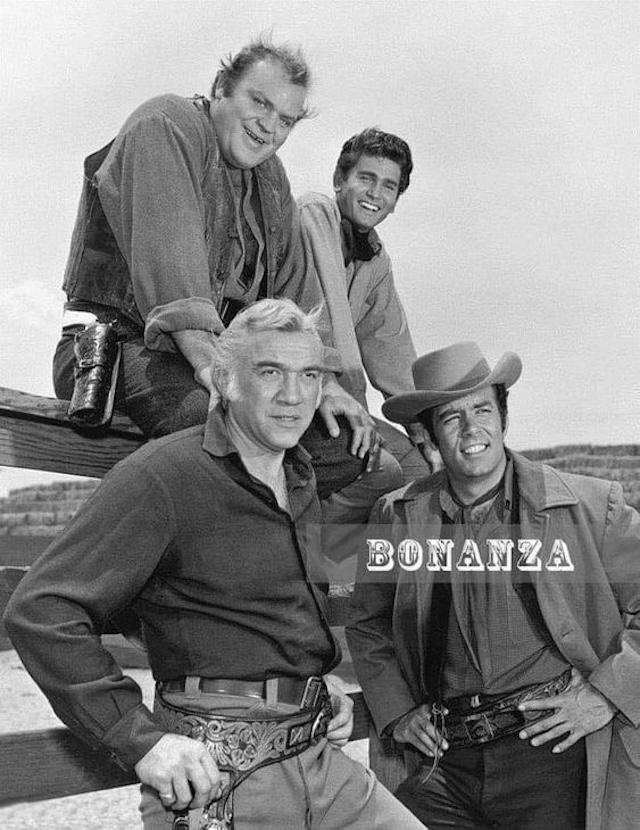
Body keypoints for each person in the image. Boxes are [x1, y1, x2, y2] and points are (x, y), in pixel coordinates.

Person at [5, 299, 425, 830]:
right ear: (225, 381)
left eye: (309, 375)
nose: (294, 396)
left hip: (320, 759)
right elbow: (41, 610)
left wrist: (313, 687)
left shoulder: (300, 479)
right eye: (269, 372)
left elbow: (265, 613)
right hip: (223, 781)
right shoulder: (164, 475)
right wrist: (139, 740)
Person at [52, 37, 400, 513]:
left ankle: (284, 571)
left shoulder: (272, 179)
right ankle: (169, 571)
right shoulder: (166, 124)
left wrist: (324, 384)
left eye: (286, 120)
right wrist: (228, 382)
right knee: (225, 434)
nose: (269, 127)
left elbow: (295, 304)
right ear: (221, 87)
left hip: (217, 363)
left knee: (343, 448)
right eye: (260, 102)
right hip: (121, 349)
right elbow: (177, 291)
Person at [346, 341, 640, 830]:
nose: (471, 430)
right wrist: (398, 712)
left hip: (551, 749)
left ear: (504, 417)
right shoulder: (398, 517)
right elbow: (368, 623)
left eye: (482, 409)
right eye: (451, 418)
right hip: (444, 763)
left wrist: (606, 694)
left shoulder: (591, 509)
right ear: (429, 437)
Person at [298, 127, 441, 484]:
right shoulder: (314, 214)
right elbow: (319, 319)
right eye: (366, 178)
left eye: (389, 186)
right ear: (339, 180)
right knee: (382, 472)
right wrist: (337, 391)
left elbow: (391, 349)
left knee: (421, 471)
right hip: (303, 392)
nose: (375, 194)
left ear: (396, 199)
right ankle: (315, 539)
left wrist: (425, 431)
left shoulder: (375, 259)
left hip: (348, 404)